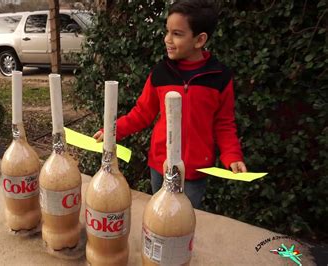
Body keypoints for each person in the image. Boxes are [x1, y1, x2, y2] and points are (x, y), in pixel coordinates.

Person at [93, 0, 247, 209]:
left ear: (199, 40)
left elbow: (224, 123)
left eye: (177, 34)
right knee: (160, 217)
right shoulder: (160, 73)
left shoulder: (220, 77)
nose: (167, 39)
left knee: (184, 221)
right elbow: (142, 113)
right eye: (167, 32)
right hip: (160, 165)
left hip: (195, 172)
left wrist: (232, 156)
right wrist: (111, 131)